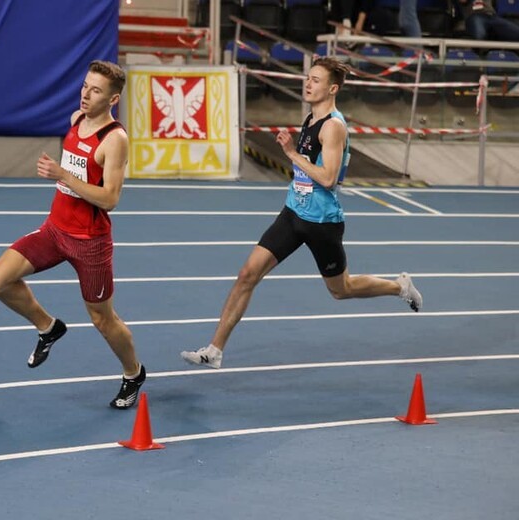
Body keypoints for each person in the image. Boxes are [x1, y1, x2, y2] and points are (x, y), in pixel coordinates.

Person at [181, 57, 423, 370]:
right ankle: (214, 350)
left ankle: (399, 287)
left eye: (316, 80)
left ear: (332, 88)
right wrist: (296, 161)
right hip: (293, 213)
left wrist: (292, 154)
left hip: (321, 223)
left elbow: (329, 178)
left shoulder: (333, 127)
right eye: (307, 78)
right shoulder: (310, 117)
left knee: (341, 290)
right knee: (246, 275)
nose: (308, 84)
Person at [0, 60, 146, 409]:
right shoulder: (76, 120)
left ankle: (133, 373)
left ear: (113, 98)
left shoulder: (115, 139)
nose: (86, 94)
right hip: (55, 230)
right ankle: (48, 327)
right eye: (85, 86)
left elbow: (111, 199)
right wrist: (64, 176)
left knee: (103, 319)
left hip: (90, 243)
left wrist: (62, 174)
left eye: (96, 90)